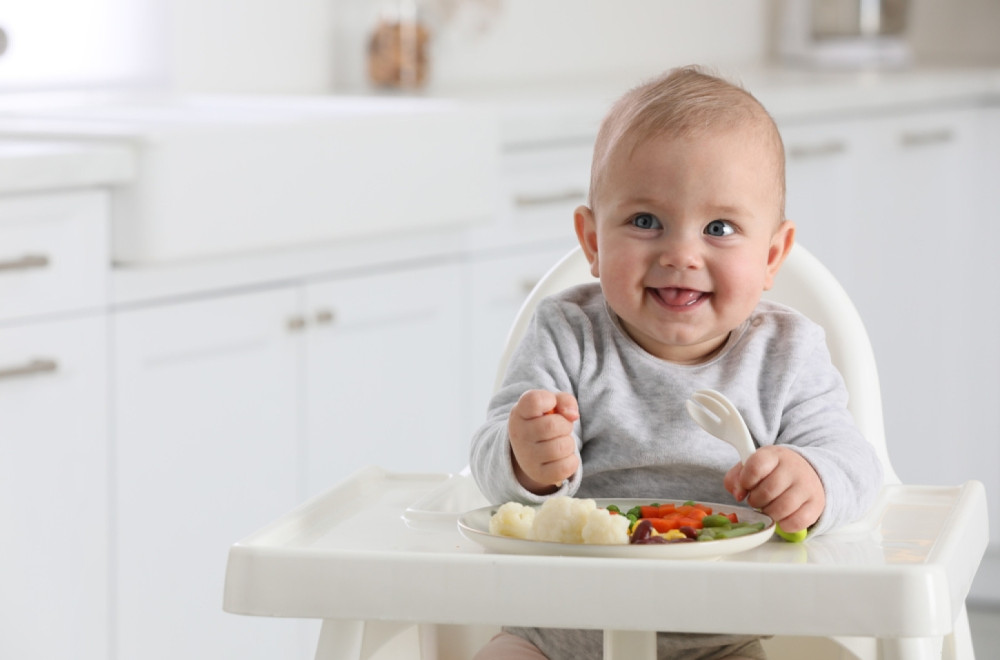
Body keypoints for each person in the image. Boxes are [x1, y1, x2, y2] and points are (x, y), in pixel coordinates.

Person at [469, 65, 884, 660]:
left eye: (719, 227)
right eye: (645, 222)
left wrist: (812, 479)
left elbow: (856, 463)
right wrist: (524, 457)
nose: (681, 254)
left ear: (772, 256)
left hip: (718, 636)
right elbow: (488, 463)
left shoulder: (787, 354)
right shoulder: (567, 333)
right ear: (592, 241)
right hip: (557, 630)